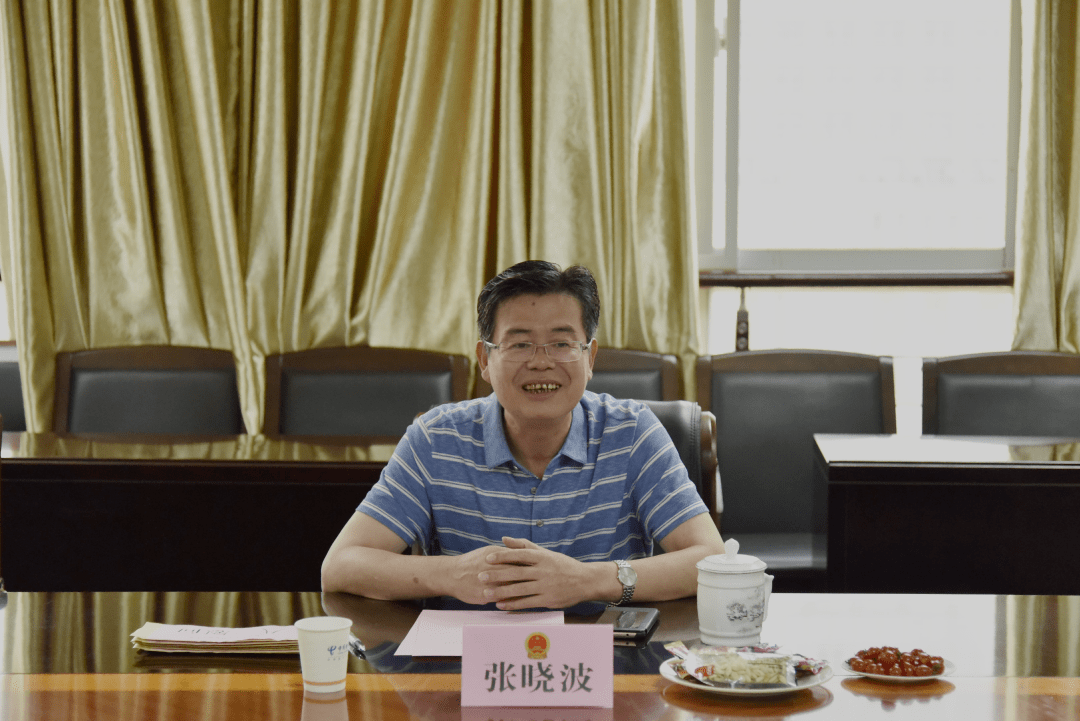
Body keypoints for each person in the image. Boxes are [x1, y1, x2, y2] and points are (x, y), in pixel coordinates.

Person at [321, 260, 724, 611]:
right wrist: (452, 573)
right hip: (467, 663)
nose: (540, 362)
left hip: (606, 661)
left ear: (589, 357)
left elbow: (709, 559)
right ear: (485, 359)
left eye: (561, 343)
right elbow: (340, 566)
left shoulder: (632, 433)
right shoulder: (436, 439)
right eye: (520, 344)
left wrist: (586, 580)